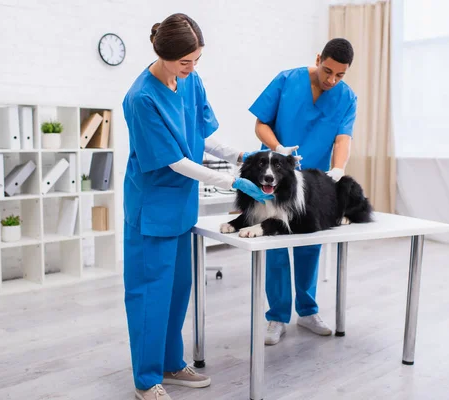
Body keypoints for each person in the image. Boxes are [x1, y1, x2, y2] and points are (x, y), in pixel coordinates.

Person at [122, 13, 274, 400]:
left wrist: (242, 155)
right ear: (162, 54)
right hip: (152, 207)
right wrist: (230, 181)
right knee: (149, 294)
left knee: (177, 290)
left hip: (181, 206)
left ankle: (172, 364)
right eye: (184, 62)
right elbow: (174, 159)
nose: (191, 69)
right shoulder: (141, 98)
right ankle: (146, 379)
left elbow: (202, 136)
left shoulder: (191, 81)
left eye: (196, 60)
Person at [248, 38, 357, 345]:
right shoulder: (287, 80)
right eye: (328, 70)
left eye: (340, 75)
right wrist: (278, 147)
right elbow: (260, 124)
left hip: (312, 182)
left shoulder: (347, 97)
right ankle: (277, 317)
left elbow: (342, 138)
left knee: (310, 242)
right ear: (318, 58)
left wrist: (338, 169)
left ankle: (307, 311)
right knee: (276, 242)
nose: (332, 79)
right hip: (275, 177)